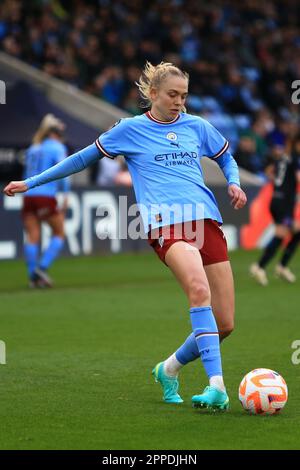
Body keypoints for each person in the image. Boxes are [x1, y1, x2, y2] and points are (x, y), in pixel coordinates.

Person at [4, 62, 247, 410]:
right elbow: (81, 159)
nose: (179, 102)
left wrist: (235, 183)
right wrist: (32, 182)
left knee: (224, 323)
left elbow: (227, 159)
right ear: (152, 94)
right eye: (172, 95)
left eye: (184, 96)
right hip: (167, 224)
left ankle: (168, 369)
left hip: (206, 221)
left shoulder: (198, 127)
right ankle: (217, 387)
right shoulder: (130, 130)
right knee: (198, 290)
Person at [21, 114, 70, 288]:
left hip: (28, 196)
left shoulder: (33, 148)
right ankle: (41, 268)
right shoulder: (57, 148)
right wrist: (65, 195)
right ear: (55, 133)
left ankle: (32, 277)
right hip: (45, 196)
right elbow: (64, 172)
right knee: (59, 232)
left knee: (33, 236)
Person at [250, 137, 300, 286]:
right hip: (284, 203)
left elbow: (268, 171)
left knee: (296, 231)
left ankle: (281, 266)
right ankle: (260, 266)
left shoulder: (283, 158)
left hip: (278, 200)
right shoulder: (295, 159)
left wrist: (279, 184)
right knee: (282, 233)